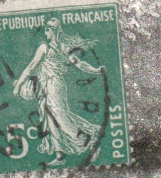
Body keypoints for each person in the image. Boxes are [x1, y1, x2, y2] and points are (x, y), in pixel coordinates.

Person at [13, 17, 105, 166]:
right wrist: (19, 84)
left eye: (47, 30)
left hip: (55, 85)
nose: (46, 33)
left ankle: (88, 140)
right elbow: (32, 66)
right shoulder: (55, 48)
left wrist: (95, 70)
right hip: (46, 86)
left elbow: (79, 64)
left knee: (60, 117)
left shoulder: (51, 48)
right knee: (51, 121)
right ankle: (60, 155)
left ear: (53, 31)